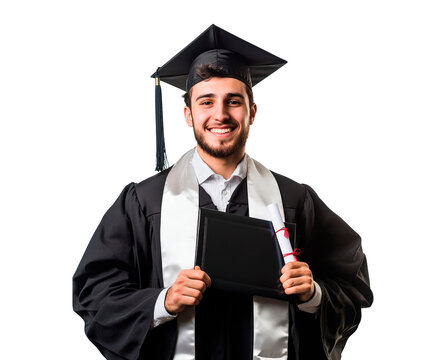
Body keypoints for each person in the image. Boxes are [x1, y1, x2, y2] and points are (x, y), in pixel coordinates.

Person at [73, 25, 373, 360]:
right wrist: (163, 302)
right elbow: (95, 295)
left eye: (233, 101)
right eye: (206, 102)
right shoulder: (144, 202)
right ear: (188, 114)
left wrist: (314, 294)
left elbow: (351, 286)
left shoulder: (293, 200)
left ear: (251, 112)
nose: (220, 114)